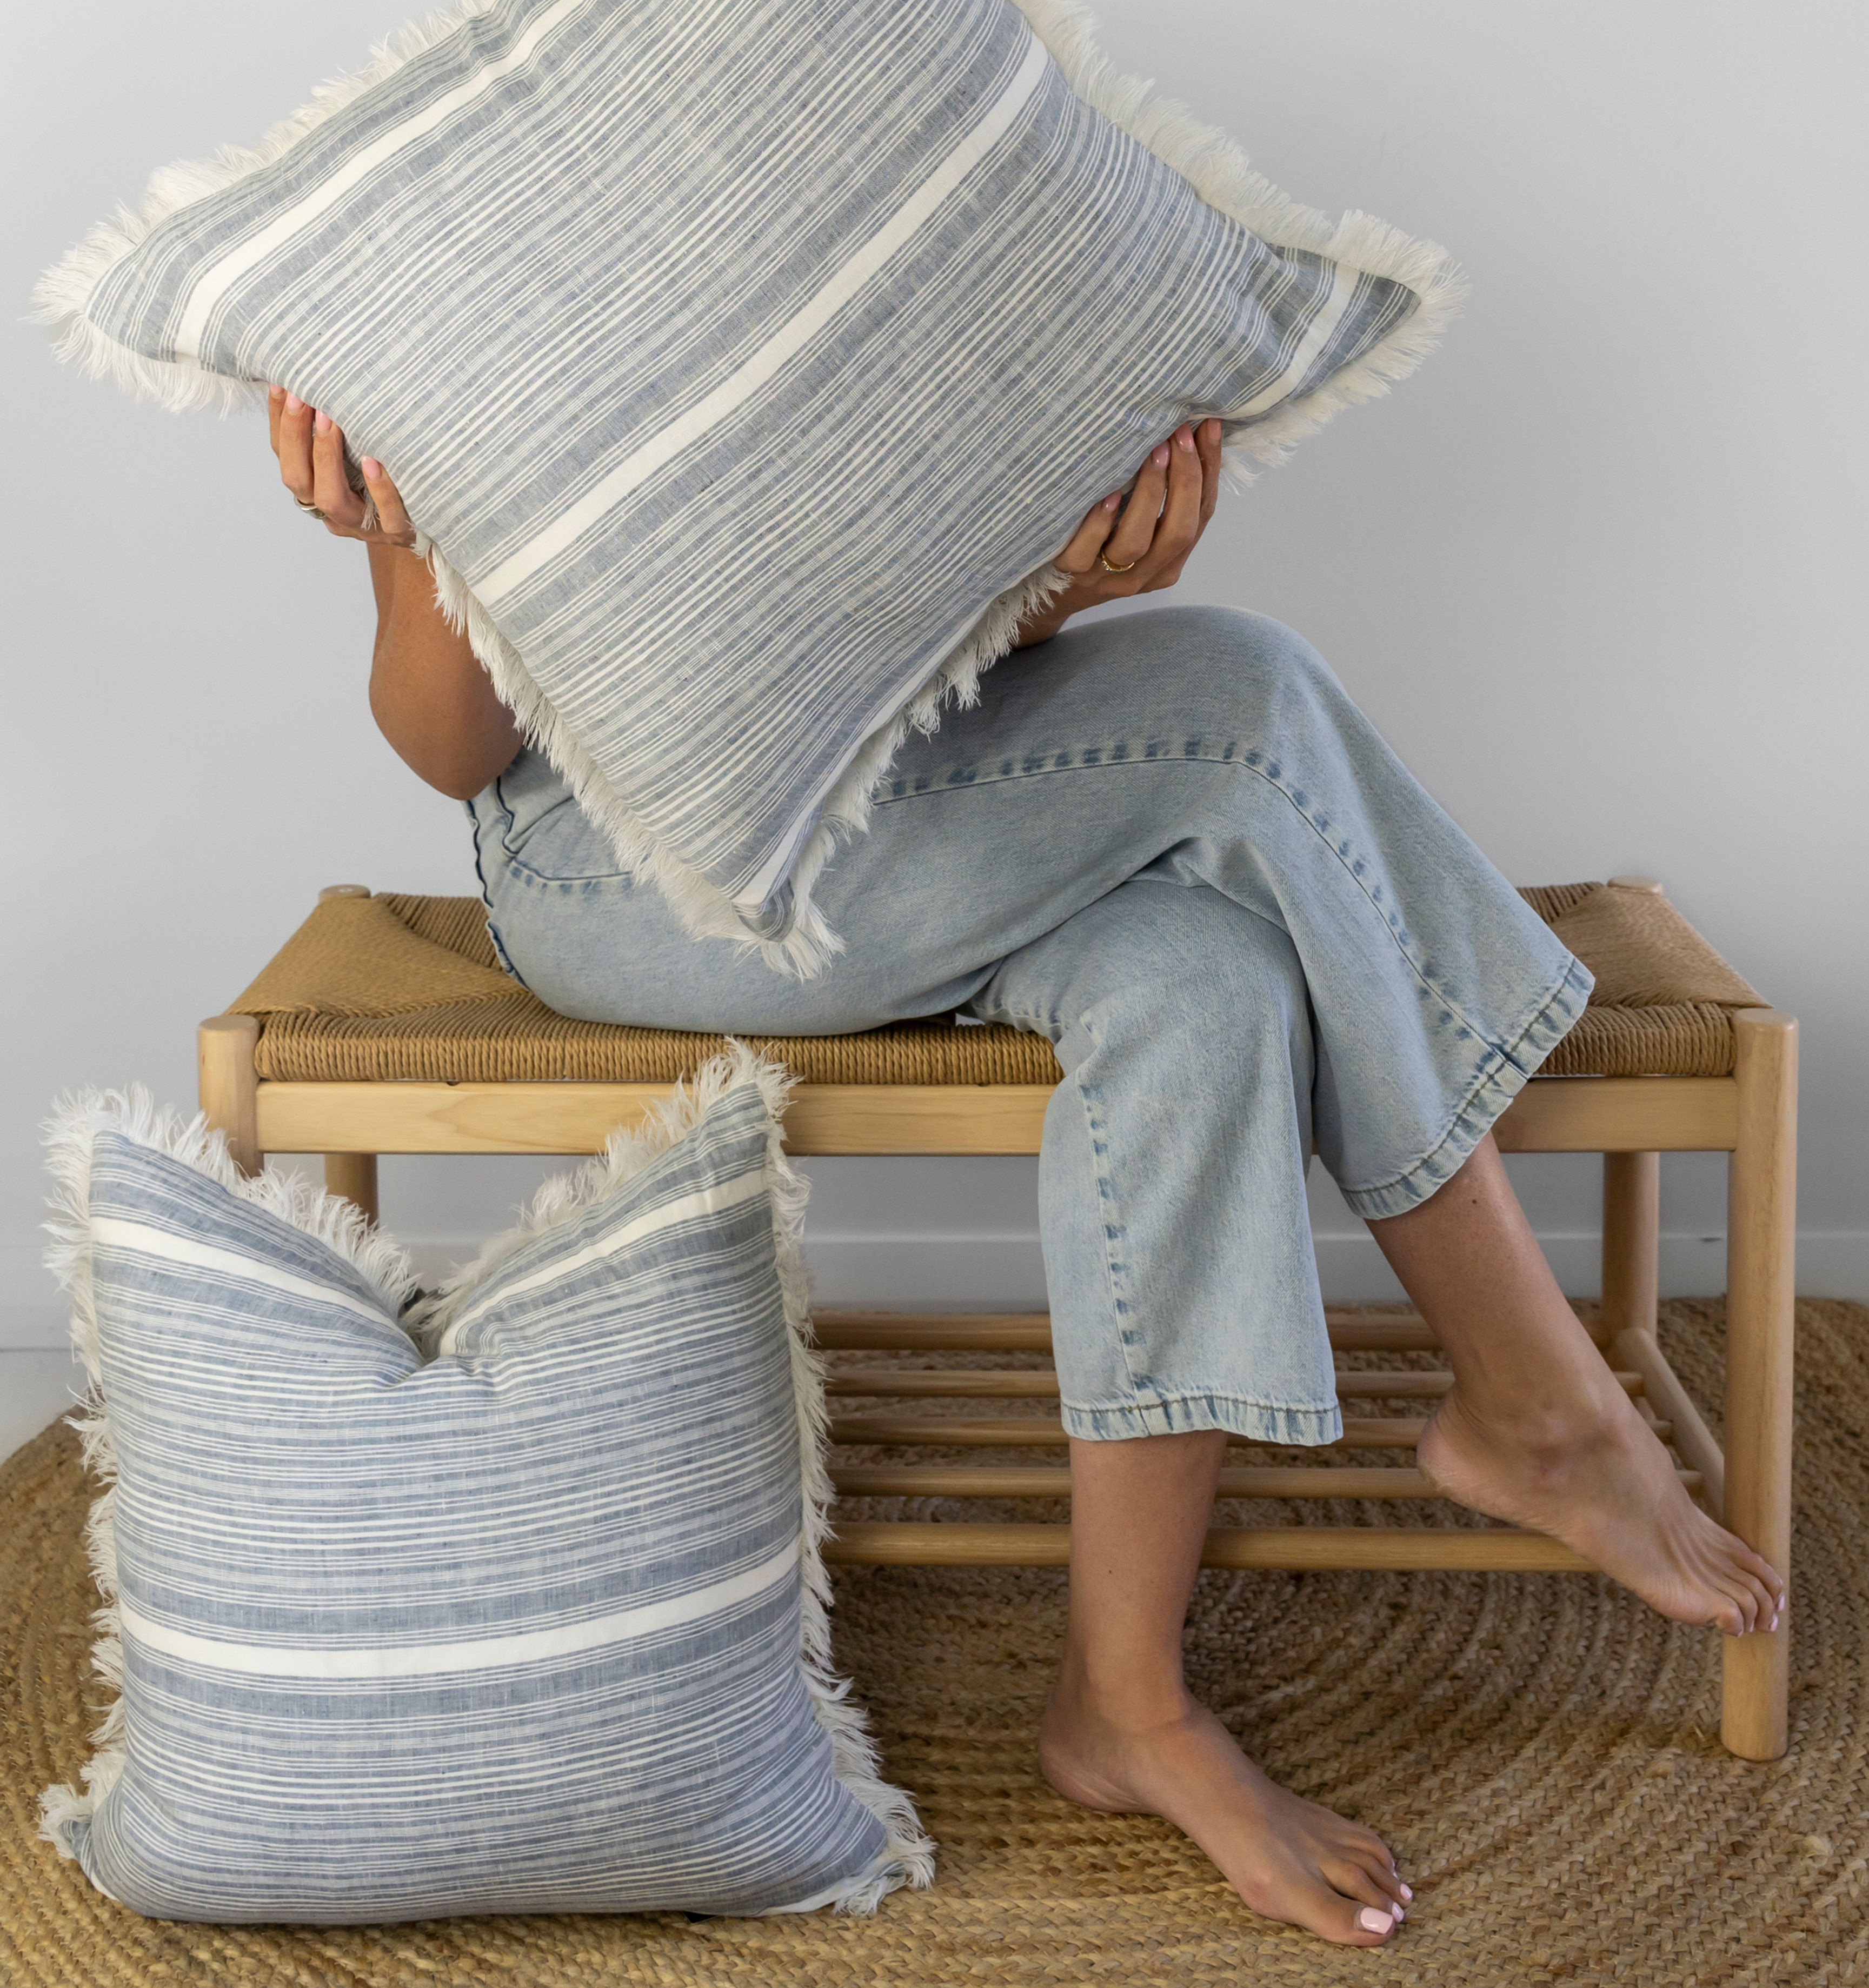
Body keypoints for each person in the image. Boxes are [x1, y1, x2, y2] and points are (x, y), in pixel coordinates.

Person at [269, 385, 1782, 1950]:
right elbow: (453, 752)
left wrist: (1067, 585)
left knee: (1208, 985)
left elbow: (878, 673)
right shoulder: (504, 285)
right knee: (1243, 698)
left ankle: (1122, 1704)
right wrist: (404, 525)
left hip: (910, 798)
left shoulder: (903, 251)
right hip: (626, 871)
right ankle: (1537, 1400)